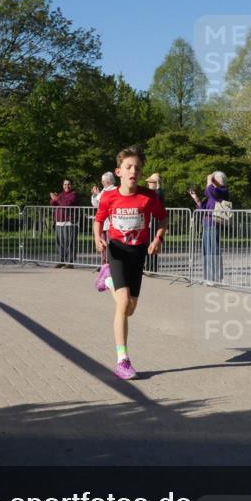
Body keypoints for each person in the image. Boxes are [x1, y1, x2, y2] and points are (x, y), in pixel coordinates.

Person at [93, 147, 168, 380]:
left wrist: (158, 238)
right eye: (128, 167)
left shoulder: (148, 197)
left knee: (130, 310)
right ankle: (122, 360)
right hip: (117, 251)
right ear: (119, 172)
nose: (133, 171)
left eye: (137, 168)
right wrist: (97, 237)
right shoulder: (109, 197)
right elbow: (99, 220)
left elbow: (163, 218)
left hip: (138, 253)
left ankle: (107, 280)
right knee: (123, 302)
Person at [189, 171, 229, 284]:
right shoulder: (212, 195)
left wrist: (210, 181)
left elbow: (209, 191)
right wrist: (196, 198)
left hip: (214, 224)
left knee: (213, 251)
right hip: (206, 224)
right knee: (206, 251)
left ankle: (216, 278)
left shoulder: (222, 191)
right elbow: (202, 208)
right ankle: (208, 277)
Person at [50, 179, 80, 268]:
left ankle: (70, 262)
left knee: (70, 243)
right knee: (60, 243)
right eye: (65, 184)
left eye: (68, 184)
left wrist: (57, 199)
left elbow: (66, 204)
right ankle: (61, 261)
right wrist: (54, 198)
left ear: (71, 185)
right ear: (63, 185)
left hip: (69, 222)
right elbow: (53, 203)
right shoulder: (61, 194)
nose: (67, 186)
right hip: (59, 222)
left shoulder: (74, 194)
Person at [145, 173, 166, 273]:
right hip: (149, 221)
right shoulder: (150, 193)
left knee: (153, 242)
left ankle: (152, 267)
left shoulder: (158, 192)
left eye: (151, 182)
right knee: (147, 243)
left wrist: (158, 186)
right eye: (149, 182)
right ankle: (148, 265)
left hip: (155, 221)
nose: (149, 184)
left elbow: (159, 199)